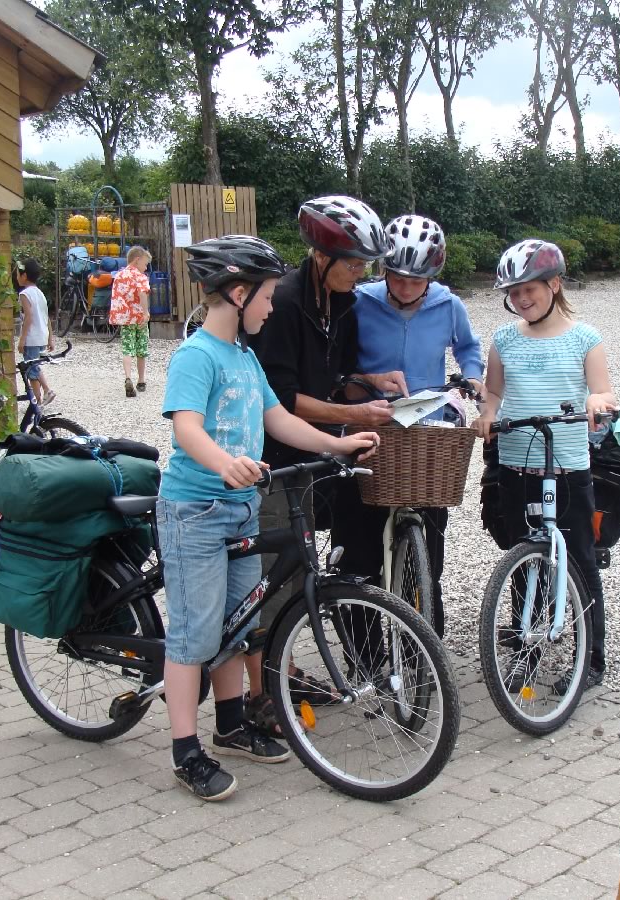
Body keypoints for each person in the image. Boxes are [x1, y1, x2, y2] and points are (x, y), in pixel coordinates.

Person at [158, 234, 379, 801]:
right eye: (265, 296)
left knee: (239, 621)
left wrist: (339, 444)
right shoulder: (196, 355)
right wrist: (224, 463)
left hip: (240, 509)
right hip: (196, 510)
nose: (272, 305)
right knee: (196, 632)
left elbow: (279, 420)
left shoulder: (246, 358)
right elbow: (186, 428)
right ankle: (185, 750)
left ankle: (230, 722)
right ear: (236, 293)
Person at [242, 195, 407, 730]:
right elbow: (283, 398)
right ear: (321, 257)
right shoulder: (286, 304)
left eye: (366, 265)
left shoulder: (342, 302)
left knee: (313, 553)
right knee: (272, 574)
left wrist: (372, 382)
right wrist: (354, 410)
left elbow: (338, 372)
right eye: (355, 264)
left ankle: (293, 663)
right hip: (273, 454)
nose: (362, 275)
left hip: (315, 452)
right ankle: (261, 689)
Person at [472, 239, 618, 686]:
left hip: (568, 466)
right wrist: (488, 414)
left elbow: (603, 390)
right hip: (516, 463)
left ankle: (591, 657)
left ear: (554, 284)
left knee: (579, 558)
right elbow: (494, 392)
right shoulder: (504, 339)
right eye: (513, 293)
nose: (521, 300)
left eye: (529, 290)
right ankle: (525, 647)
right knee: (523, 556)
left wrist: (597, 400)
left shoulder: (584, 337)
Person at [338, 215, 485, 637]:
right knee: (361, 546)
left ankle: (424, 635)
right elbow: (342, 365)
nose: (404, 288)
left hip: (426, 434)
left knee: (430, 541)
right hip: (371, 424)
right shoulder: (360, 301)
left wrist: (472, 376)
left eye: (415, 280)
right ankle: (364, 653)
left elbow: (468, 347)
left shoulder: (448, 304)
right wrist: (362, 384)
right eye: (396, 277)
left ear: (433, 275)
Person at [109, 246, 152, 397]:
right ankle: (141, 380)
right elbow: (142, 294)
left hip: (125, 318)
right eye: (145, 264)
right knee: (141, 349)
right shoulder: (140, 277)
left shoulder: (119, 275)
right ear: (137, 260)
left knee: (127, 349)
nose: (145, 267)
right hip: (139, 317)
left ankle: (128, 377)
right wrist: (145, 312)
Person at [16, 258, 55, 405]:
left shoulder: (25, 294)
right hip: (42, 335)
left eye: (18, 275)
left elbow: (28, 317)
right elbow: (47, 317)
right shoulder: (40, 293)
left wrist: (22, 339)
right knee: (34, 366)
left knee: (31, 370)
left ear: (24, 276)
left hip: (32, 337)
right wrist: (50, 337)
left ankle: (41, 397)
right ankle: (42, 395)